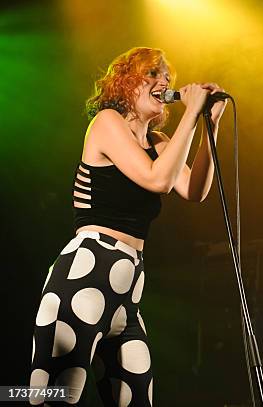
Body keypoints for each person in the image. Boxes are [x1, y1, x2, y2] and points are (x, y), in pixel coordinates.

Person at [29, 47, 226, 406]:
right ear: (126, 82)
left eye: (166, 76)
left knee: (136, 397)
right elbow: (157, 180)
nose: (163, 81)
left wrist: (210, 126)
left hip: (127, 292)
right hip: (85, 275)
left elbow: (194, 190)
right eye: (152, 73)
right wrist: (192, 114)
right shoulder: (107, 122)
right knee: (52, 396)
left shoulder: (159, 144)